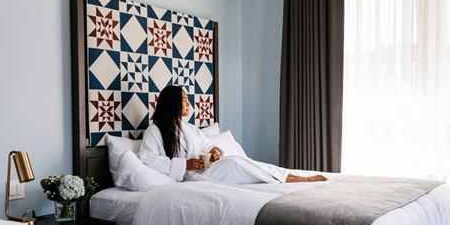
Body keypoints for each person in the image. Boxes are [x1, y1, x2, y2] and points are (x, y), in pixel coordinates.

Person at [139, 85, 327, 184]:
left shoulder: (189, 129)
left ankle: (289, 177)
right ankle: (290, 178)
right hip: (194, 176)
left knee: (239, 162)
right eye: (184, 100)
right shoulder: (154, 131)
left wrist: (214, 151)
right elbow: (148, 158)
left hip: (208, 169)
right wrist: (184, 165)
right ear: (172, 103)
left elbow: (206, 145)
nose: (188, 104)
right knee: (235, 163)